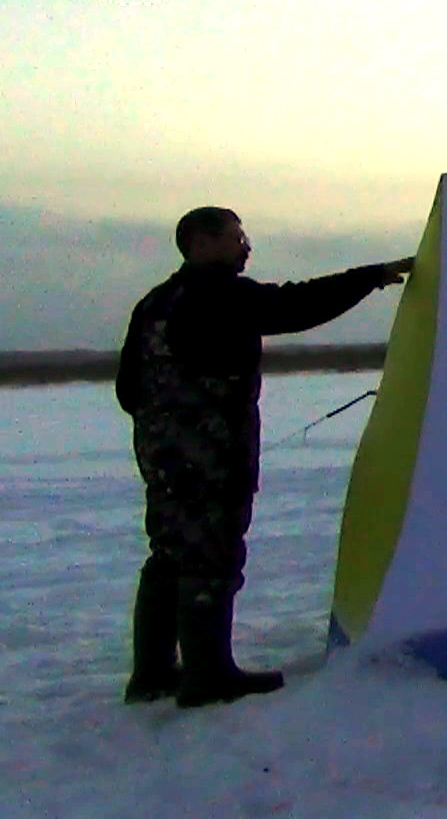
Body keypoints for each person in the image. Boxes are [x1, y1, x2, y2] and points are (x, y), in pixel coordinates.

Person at [115, 206, 413, 708]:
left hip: (160, 459)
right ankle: (207, 678)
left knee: (168, 556)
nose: (245, 246)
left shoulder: (155, 303)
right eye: (236, 237)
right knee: (211, 558)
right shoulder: (218, 294)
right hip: (210, 458)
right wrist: (372, 278)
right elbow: (295, 306)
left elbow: (129, 389)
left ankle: (152, 675)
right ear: (203, 243)